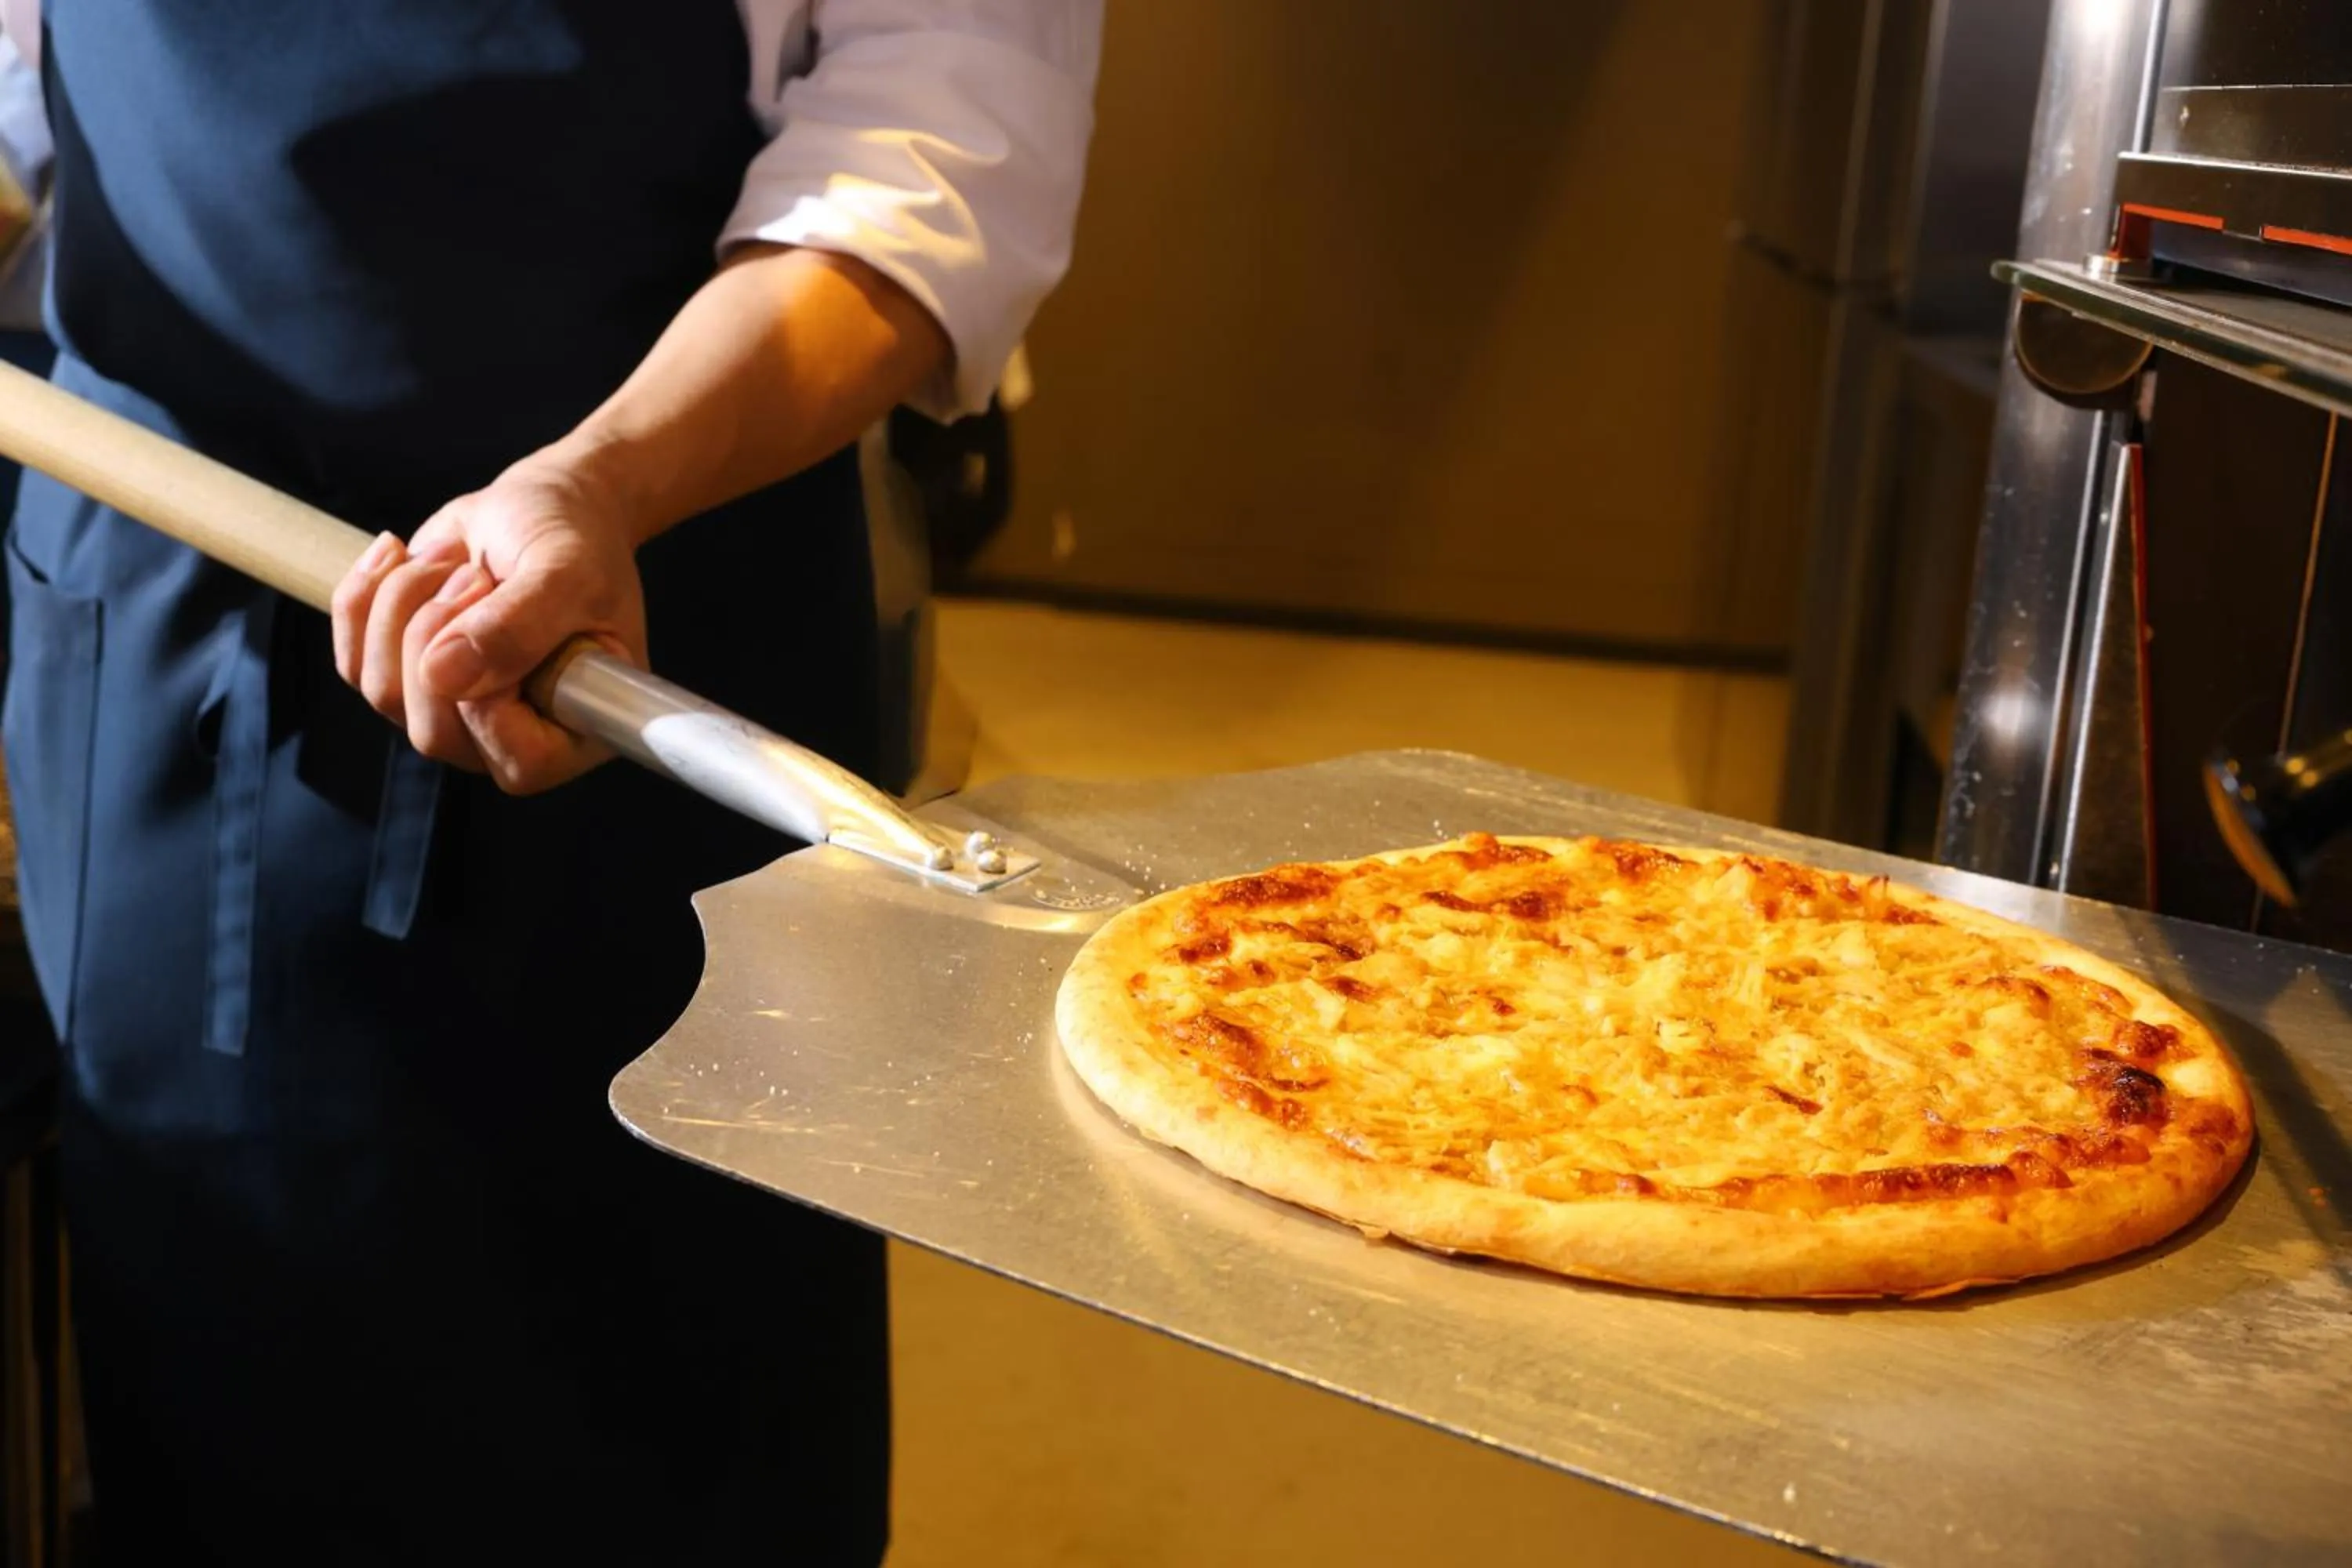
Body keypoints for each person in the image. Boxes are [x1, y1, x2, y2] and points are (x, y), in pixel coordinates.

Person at [0, 2, 1098, 1563]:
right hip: (178, 626)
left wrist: (604, 478)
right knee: (215, 1366)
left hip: (654, 631)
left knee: (667, 1393)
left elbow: (946, 137)